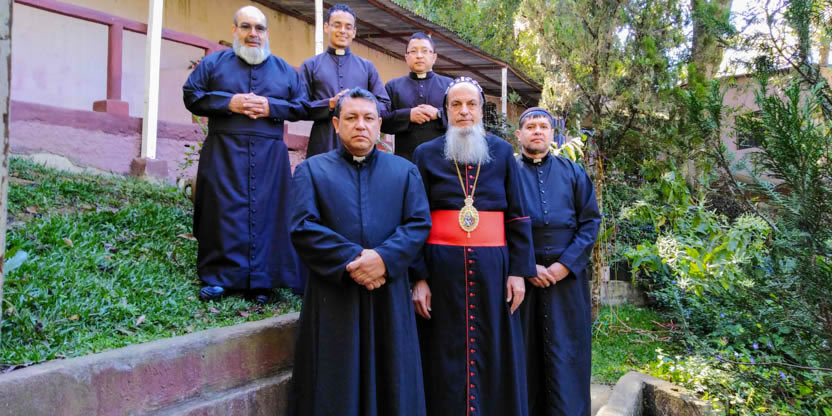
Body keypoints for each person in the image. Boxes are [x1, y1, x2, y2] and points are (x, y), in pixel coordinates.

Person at [290, 88, 431, 416]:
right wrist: (354, 260)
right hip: (334, 294)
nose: (361, 125)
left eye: (369, 118)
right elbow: (303, 227)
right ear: (336, 124)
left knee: (392, 378)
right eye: (351, 118)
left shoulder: (404, 171)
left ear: (380, 124)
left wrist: (383, 259)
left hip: (388, 293)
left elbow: (418, 224)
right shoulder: (312, 171)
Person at [411, 77, 536, 416]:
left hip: (494, 271)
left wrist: (518, 272)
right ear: (445, 111)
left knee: (494, 347)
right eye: (456, 104)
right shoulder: (425, 154)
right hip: (441, 271)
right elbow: (415, 219)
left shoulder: (502, 153)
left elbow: (517, 215)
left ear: (481, 110)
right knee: (442, 349)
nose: (464, 111)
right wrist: (419, 277)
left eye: (471, 104)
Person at [182, 6, 307, 303]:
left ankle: (262, 281)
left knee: (269, 213)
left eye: (259, 28)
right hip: (223, 152)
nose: (253, 34)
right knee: (221, 211)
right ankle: (218, 277)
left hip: (269, 155)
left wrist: (271, 107)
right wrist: (230, 102)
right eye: (246, 27)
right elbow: (191, 96)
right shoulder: (213, 64)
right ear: (234, 30)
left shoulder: (285, 71)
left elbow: (302, 105)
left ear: (266, 33)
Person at [515, 107, 601, 416]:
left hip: (567, 280)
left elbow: (590, 222)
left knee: (568, 352)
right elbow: (500, 223)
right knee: (525, 353)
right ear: (519, 135)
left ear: (552, 134)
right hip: (523, 280)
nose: (537, 131)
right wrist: (527, 266)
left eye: (543, 126)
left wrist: (564, 265)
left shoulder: (573, 172)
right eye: (530, 127)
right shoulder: (507, 173)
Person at [299, 4, 391, 158]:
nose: (343, 31)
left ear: (354, 32)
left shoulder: (366, 67)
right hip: (323, 142)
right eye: (337, 25)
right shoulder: (311, 65)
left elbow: (385, 104)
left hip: (360, 142)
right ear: (326, 27)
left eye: (348, 27)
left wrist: (360, 107)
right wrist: (329, 104)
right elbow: (298, 106)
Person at [382, 32, 452, 161]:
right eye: (413, 51)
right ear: (406, 57)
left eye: (425, 51)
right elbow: (382, 121)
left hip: (442, 162)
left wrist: (438, 114)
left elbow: (461, 119)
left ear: (434, 57)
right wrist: (408, 115)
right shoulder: (393, 86)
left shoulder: (450, 86)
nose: (419, 56)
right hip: (405, 160)